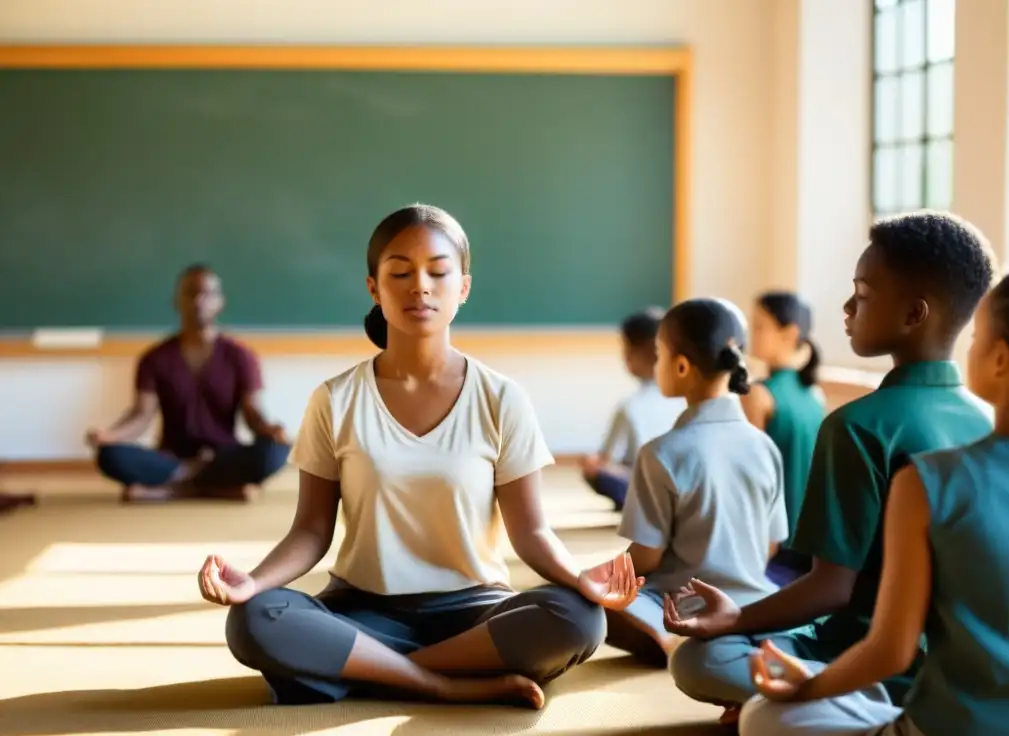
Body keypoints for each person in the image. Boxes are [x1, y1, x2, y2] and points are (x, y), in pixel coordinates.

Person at [196, 204, 643, 708]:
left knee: (580, 618)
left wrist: (581, 579)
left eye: (437, 271)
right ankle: (440, 682)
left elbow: (531, 533)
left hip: (475, 614)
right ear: (374, 288)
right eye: (400, 273)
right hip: (361, 611)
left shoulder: (502, 398)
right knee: (256, 618)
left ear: (464, 287)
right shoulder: (335, 399)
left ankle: (361, 671)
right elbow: (310, 531)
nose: (420, 287)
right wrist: (252, 582)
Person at [664, 211, 996, 729]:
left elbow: (833, 589)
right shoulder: (991, 421)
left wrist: (738, 618)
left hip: (872, 656)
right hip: (970, 665)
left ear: (914, 314)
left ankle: (836, 700)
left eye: (862, 293)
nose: (846, 307)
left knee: (699, 658)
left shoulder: (859, 425)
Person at [739, 270, 1009, 736]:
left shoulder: (928, 482)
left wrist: (810, 687)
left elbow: (889, 651)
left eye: (977, 338)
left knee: (764, 716)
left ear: (999, 359)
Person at [605, 298, 789, 669]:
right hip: (753, 604)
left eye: (659, 353)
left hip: (680, 604)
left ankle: (675, 640)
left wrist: (603, 580)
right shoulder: (764, 446)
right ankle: (747, 642)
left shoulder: (661, 452)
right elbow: (771, 545)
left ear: (682, 365)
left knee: (586, 604)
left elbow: (646, 558)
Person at [85, 265, 291, 502]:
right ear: (177, 301)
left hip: (221, 457)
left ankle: (170, 491)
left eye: (208, 294)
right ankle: (215, 489)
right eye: (191, 293)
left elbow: (253, 414)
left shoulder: (240, 356)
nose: (199, 301)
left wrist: (271, 430)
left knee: (275, 452)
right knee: (110, 456)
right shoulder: (155, 358)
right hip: (172, 459)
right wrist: (109, 436)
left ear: (220, 302)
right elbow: (141, 415)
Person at [743, 291, 826, 585]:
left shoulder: (758, 395)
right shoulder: (815, 395)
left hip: (772, 545)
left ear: (789, 334)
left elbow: (751, 479)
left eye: (760, 326)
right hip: (810, 547)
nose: (752, 334)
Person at [580, 308, 683, 510]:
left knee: (593, 467)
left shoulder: (630, 407)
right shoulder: (685, 399)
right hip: (686, 491)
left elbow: (606, 460)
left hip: (648, 490)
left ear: (635, 353)